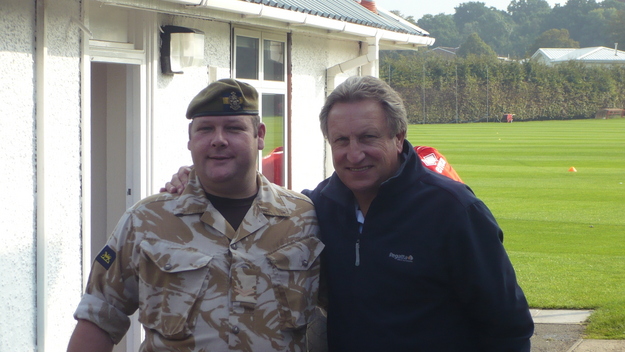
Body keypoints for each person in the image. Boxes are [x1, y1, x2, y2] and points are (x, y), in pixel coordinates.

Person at [164, 76, 534, 351]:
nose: (354, 154)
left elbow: (509, 326)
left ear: (399, 136)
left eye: (368, 137)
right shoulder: (316, 208)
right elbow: (255, 212)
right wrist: (194, 181)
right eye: (341, 141)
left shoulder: (455, 211)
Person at [68, 79, 324, 352]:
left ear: (259, 135)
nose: (218, 140)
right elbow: (98, 319)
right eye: (205, 129)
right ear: (190, 140)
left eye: (234, 128)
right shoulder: (144, 221)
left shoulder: (303, 218)